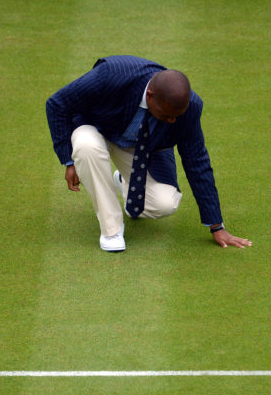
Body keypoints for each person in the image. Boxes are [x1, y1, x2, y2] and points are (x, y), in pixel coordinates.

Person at [46, 55, 252, 252]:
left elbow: (197, 162)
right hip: (95, 130)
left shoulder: (189, 108)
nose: (172, 121)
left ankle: (123, 183)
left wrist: (217, 226)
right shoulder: (112, 74)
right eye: (167, 115)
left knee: (165, 203)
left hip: (140, 148)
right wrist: (67, 160)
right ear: (151, 96)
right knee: (86, 146)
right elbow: (56, 104)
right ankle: (112, 231)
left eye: (176, 117)